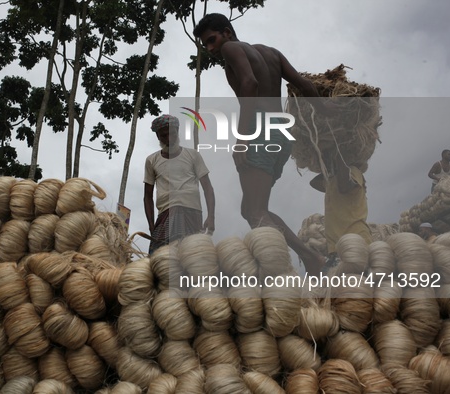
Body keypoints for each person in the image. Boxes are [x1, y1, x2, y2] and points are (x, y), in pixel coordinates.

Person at [193, 13, 335, 274]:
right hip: (282, 132)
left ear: (227, 32)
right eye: (206, 45)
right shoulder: (272, 53)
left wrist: (242, 139)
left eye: (212, 40)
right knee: (252, 209)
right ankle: (311, 259)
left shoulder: (231, 48)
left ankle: (296, 267)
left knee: (255, 212)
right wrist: (326, 111)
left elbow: (250, 83)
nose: (211, 48)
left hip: (259, 129)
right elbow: (303, 84)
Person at [144, 114, 215, 254]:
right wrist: (151, 226)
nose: (168, 138)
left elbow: (207, 188)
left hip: (192, 212)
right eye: (163, 135)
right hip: (166, 213)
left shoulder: (193, 155)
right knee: (159, 259)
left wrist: (211, 217)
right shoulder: (151, 160)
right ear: (158, 136)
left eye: (171, 133)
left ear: (177, 131)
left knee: (194, 256)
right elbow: (147, 196)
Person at [310, 155, 372, 264]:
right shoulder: (333, 179)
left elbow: (344, 187)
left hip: (355, 240)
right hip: (336, 246)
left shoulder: (353, 171)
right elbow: (314, 183)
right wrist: (327, 166)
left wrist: (339, 155)